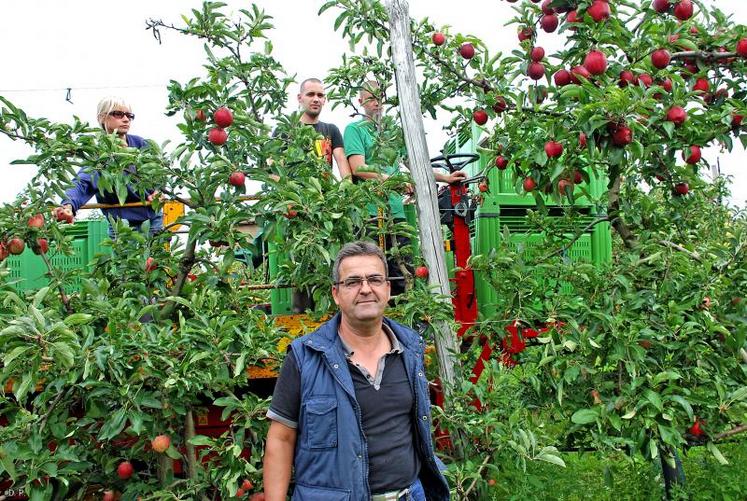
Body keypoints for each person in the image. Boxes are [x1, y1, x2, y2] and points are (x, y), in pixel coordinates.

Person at [263, 241, 450, 501]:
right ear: (336, 294)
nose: (365, 289)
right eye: (352, 282)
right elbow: (281, 440)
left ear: (387, 288)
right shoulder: (305, 357)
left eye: (374, 279)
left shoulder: (410, 349)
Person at [344, 81, 466, 296]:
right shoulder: (354, 129)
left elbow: (415, 165)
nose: (376, 104)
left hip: (396, 213)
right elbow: (358, 167)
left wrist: (445, 177)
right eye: (370, 99)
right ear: (360, 102)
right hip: (370, 215)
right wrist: (394, 180)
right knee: (372, 274)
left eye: (380, 98)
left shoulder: (392, 132)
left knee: (403, 275)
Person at [57, 96, 162, 238]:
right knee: (125, 260)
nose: (125, 119)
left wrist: (157, 190)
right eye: (118, 114)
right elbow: (82, 182)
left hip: (152, 220)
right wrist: (68, 205)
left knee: (156, 259)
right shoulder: (99, 155)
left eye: (129, 116)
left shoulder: (142, 145)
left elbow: (159, 174)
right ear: (102, 118)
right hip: (121, 224)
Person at [271, 77, 351, 179]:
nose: (316, 99)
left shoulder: (332, 130)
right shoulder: (283, 130)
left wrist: (349, 188)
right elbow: (273, 169)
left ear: (324, 100)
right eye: (310, 94)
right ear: (300, 98)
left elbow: (341, 160)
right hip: (293, 192)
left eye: (320, 95)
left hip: (324, 193)